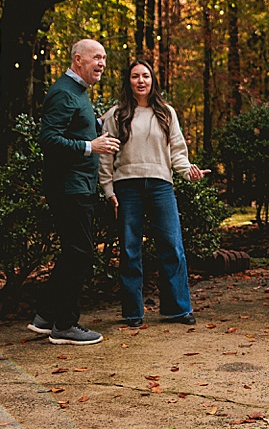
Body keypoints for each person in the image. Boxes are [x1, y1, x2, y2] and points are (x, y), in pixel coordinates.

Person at [99, 61, 205, 328]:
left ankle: (178, 309)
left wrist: (187, 171)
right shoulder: (116, 114)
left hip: (160, 185)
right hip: (127, 187)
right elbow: (105, 158)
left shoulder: (166, 113)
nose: (141, 81)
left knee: (172, 246)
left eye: (145, 76)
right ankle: (133, 312)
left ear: (153, 80)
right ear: (129, 81)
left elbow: (177, 152)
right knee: (130, 249)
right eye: (135, 76)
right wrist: (108, 190)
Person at [29, 39, 118, 346]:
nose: (102, 63)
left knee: (73, 253)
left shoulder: (78, 92)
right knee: (81, 254)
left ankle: (45, 317)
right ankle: (65, 325)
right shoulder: (64, 91)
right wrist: (89, 146)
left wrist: (95, 124)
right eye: (97, 57)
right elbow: (49, 140)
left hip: (77, 185)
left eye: (104, 58)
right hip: (69, 188)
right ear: (78, 60)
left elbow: (72, 126)